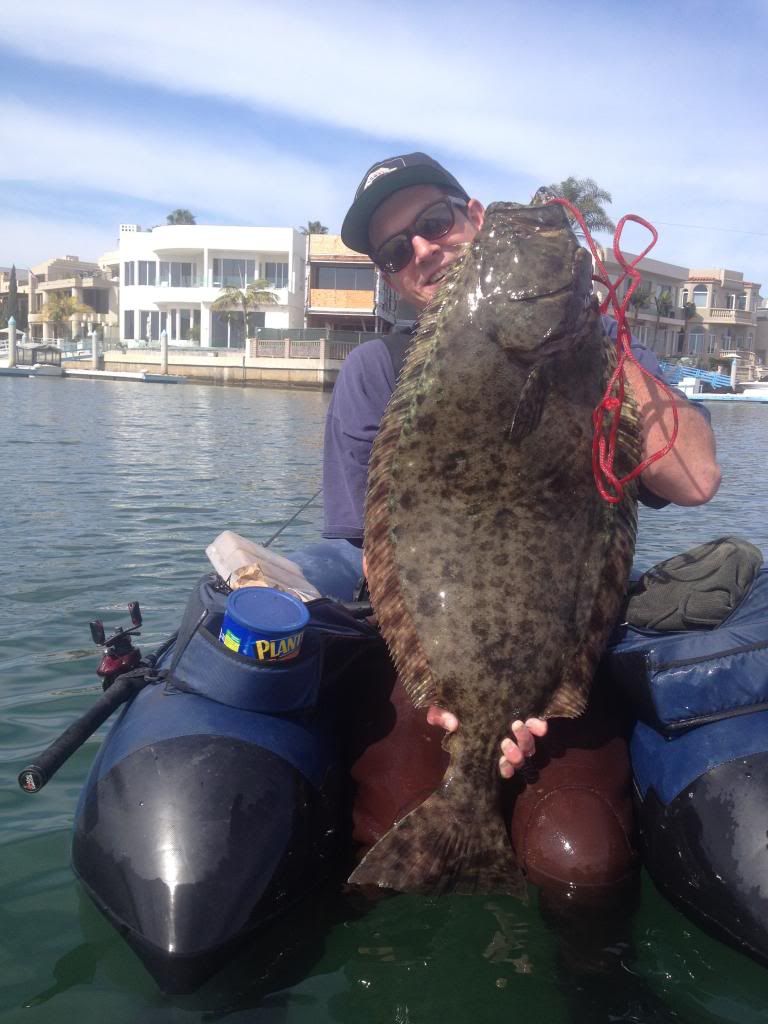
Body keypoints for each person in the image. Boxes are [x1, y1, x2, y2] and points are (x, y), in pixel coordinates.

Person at [323, 152, 721, 889]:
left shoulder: (600, 353)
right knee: (379, 832)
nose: (423, 249)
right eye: (395, 249)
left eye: (435, 222)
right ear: (389, 274)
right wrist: (445, 699)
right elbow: (377, 559)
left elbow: (694, 479)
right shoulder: (372, 373)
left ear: (472, 217)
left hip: (562, 640)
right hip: (438, 666)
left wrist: (598, 343)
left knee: (585, 865)